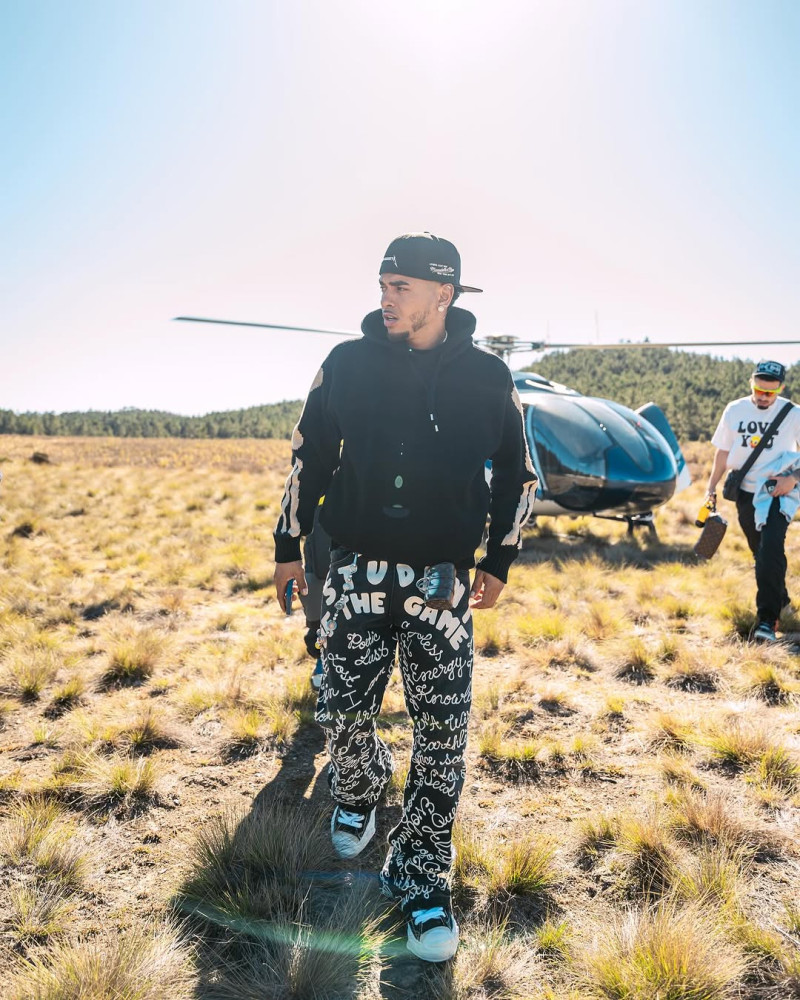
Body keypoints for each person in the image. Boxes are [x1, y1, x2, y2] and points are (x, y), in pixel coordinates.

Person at [273, 232, 537, 962]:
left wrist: (501, 559)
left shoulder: (488, 378)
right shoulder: (345, 364)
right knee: (339, 705)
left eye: (401, 287)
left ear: (442, 295)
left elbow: (519, 475)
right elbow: (308, 455)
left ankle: (419, 877)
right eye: (383, 284)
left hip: (444, 581)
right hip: (354, 568)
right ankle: (356, 786)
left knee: (443, 741)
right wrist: (288, 546)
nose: (385, 297)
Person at [706, 360, 800, 642]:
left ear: (780, 389)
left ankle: (767, 621)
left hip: (777, 492)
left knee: (771, 548)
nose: (762, 397)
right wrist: (710, 487)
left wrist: (793, 479)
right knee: (760, 552)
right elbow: (722, 452)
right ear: (751, 383)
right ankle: (780, 597)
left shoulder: (793, 414)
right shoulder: (735, 410)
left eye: (769, 393)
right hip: (745, 494)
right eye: (759, 390)